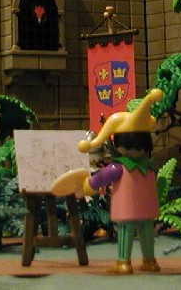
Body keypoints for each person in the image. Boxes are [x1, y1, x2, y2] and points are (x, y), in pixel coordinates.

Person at [52, 88, 164, 274]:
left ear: (119, 144)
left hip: (127, 209)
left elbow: (99, 180)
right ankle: (150, 261)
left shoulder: (118, 167)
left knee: (125, 231)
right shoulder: (149, 167)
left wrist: (86, 186)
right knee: (146, 231)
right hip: (147, 209)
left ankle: (124, 263)